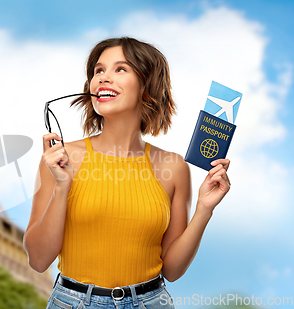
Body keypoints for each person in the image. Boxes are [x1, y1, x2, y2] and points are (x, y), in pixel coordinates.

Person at [23, 37, 231, 309]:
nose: (103, 78)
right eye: (99, 71)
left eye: (120, 69)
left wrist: (204, 209)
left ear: (147, 86)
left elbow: (172, 270)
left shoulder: (174, 167)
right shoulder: (62, 158)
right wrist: (62, 187)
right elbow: (38, 261)